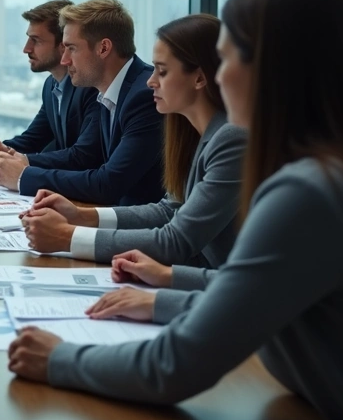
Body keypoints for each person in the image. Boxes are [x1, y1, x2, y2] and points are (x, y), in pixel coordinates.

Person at [7, 0, 343, 420]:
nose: (218, 75)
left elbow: (176, 367)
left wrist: (59, 358)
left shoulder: (313, 193)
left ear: (269, 68)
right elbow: (255, 291)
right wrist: (161, 297)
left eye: (225, 57)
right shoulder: (339, 171)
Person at [21, 14, 246, 266]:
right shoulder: (190, 131)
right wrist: (82, 216)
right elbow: (168, 210)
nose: (151, 81)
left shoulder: (230, 138)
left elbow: (176, 241)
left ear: (199, 78)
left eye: (162, 71)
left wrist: (67, 237)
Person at [0, 0, 164, 205]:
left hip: (142, 228)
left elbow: (107, 183)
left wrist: (24, 176)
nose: (64, 60)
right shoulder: (108, 91)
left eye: (71, 48)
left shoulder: (144, 96)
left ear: (103, 48)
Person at [0, 0, 101, 171]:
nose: (26, 48)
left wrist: (17, 159)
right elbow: (33, 139)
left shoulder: (90, 87)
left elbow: (83, 156)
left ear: (63, 45)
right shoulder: (51, 86)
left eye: (36, 40)